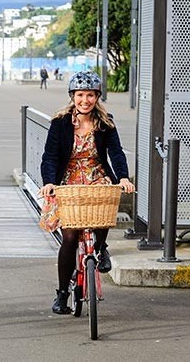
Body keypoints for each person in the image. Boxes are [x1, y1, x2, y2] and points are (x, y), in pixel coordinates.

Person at [39, 71, 135, 314]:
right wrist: (49, 182)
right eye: (80, 95)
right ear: (73, 96)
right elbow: (50, 157)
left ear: (97, 97)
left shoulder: (106, 122)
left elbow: (116, 153)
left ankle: (100, 249)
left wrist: (123, 177)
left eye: (90, 95)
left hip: (96, 175)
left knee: (104, 209)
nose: (85, 100)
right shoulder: (60, 123)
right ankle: (62, 293)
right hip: (69, 179)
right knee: (70, 235)